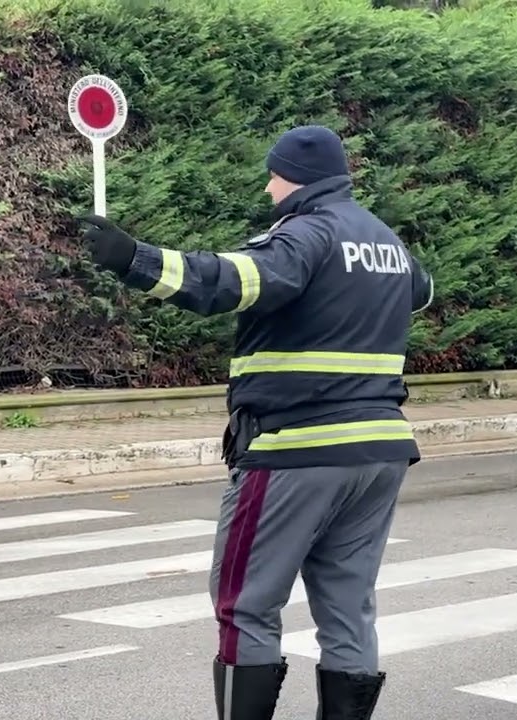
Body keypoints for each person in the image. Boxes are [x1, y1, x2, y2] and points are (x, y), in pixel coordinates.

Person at [79, 125, 434, 720]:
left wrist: (134, 258)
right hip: (381, 451)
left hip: (297, 448)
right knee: (349, 609)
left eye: (273, 176)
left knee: (245, 606)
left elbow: (226, 283)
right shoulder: (386, 242)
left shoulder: (305, 236)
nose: (269, 189)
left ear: (296, 177)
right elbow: (420, 292)